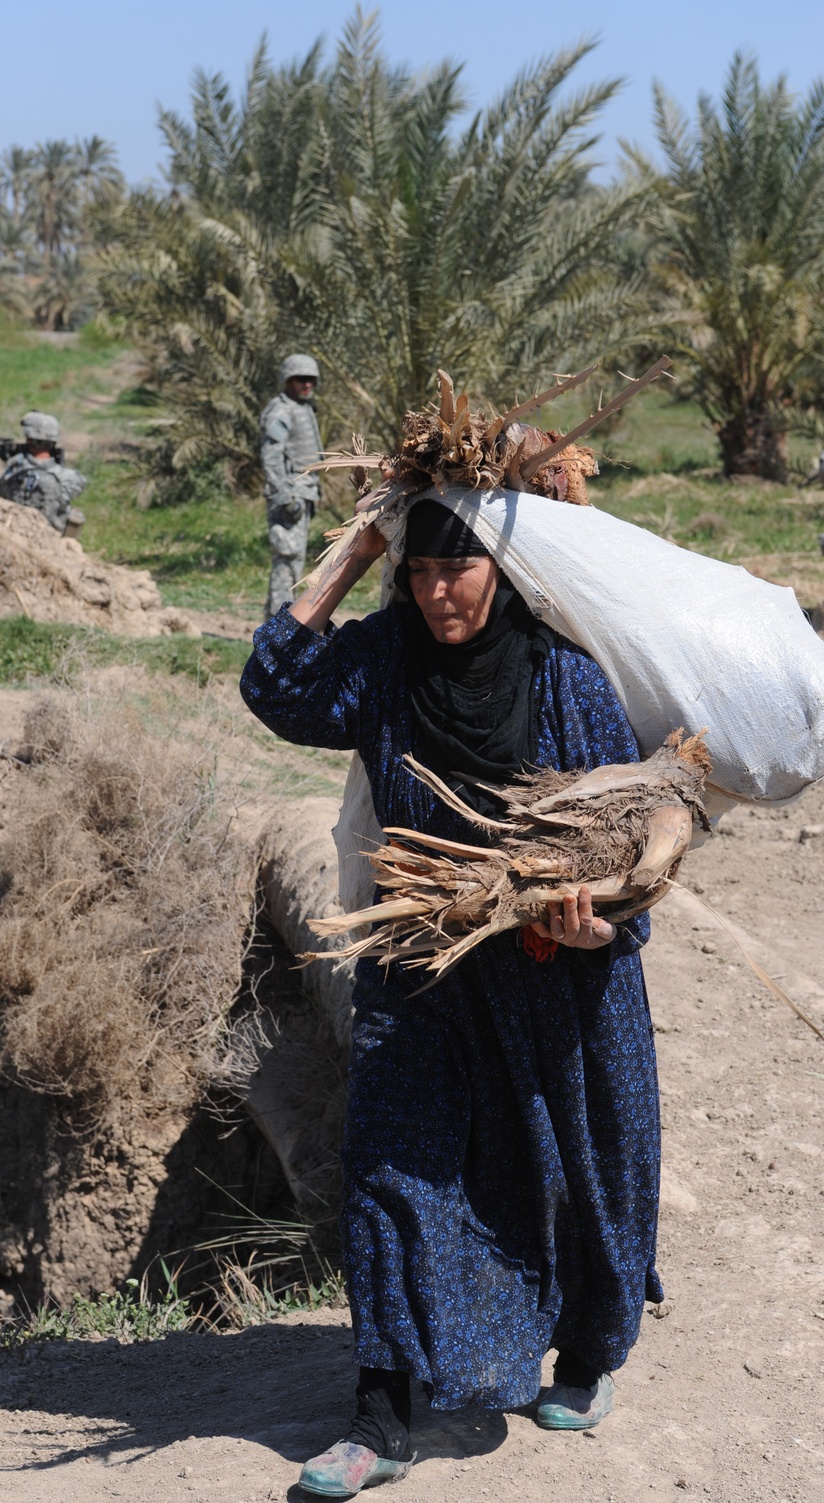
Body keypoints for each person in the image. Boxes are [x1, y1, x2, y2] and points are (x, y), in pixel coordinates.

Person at [239, 498, 663, 1498]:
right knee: (391, 1174)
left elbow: (637, 847)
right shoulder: (386, 660)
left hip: (561, 978)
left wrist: (598, 924)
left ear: (503, 571)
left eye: (457, 571)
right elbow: (276, 685)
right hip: (419, 962)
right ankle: (380, 1422)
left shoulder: (567, 676)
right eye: (418, 571)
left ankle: (591, 1354)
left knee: (581, 1175)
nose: (436, 593)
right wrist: (352, 555)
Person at [260, 354, 323, 619]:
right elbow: (271, 458)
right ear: (288, 380)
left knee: (293, 562)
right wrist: (286, 498)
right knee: (286, 562)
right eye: (301, 379)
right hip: (290, 499)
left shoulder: (302, 407)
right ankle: (277, 631)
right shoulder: (281, 409)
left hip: (301, 496)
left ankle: (275, 626)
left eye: (311, 379)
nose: (307, 384)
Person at [0, 411, 88, 536]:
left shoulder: (13, 473)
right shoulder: (69, 478)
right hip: (52, 542)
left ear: (31, 440)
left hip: (14, 538)